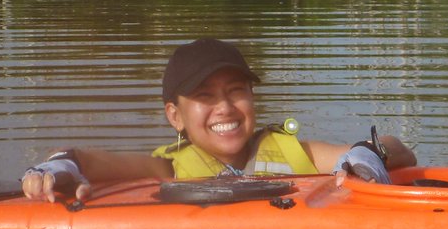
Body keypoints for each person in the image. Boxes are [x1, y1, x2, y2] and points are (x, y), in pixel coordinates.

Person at [22, 37, 416, 202]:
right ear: (175, 116)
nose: (225, 108)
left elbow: (402, 152)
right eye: (204, 97)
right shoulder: (168, 167)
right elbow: (83, 159)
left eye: (236, 91)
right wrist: (57, 169)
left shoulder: (297, 151)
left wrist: (367, 156)